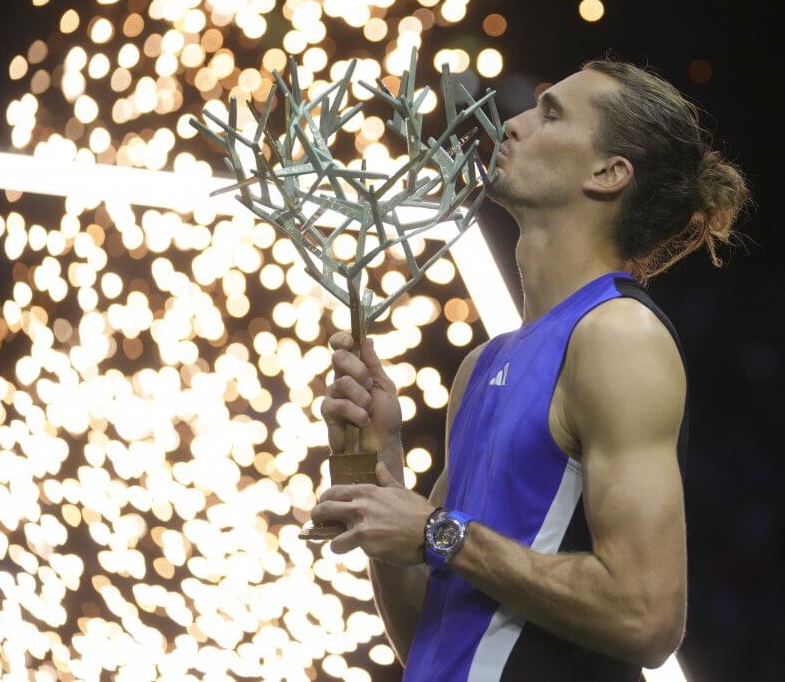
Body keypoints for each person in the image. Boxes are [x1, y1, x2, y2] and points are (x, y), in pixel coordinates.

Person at [309, 57, 752, 680]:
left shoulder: (619, 336)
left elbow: (647, 616)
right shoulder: (482, 365)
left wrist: (439, 533)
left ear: (607, 173)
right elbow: (428, 641)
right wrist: (384, 466)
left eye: (550, 113)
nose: (512, 124)